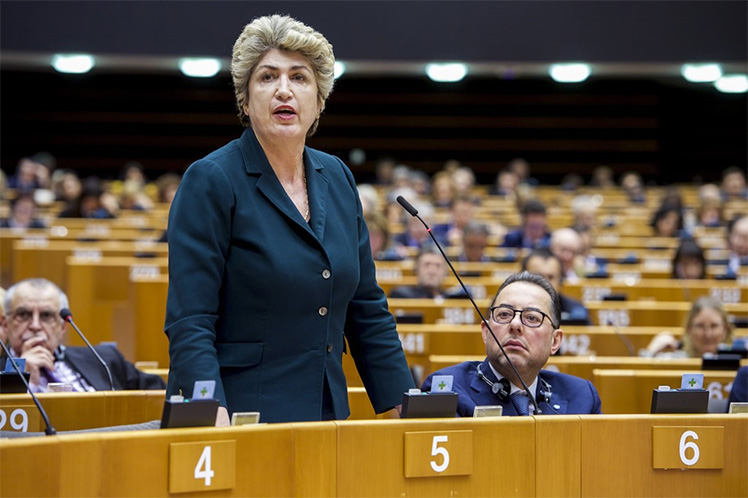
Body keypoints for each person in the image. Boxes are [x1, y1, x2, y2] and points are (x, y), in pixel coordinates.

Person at [165, 15, 414, 425]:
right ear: (245, 100)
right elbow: (190, 321)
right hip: (240, 415)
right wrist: (210, 412)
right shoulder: (211, 179)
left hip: (326, 415)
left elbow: (366, 306)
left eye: (299, 78)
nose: (284, 90)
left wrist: (405, 405)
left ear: (319, 101)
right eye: (267, 77)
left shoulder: (336, 176)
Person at [421, 271, 602, 416]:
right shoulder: (448, 391)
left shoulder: (582, 397)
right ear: (486, 332)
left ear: (555, 341)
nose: (515, 324)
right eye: (504, 314)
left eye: (532, 317)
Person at [1, 278, 165, 392]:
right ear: (5, 323)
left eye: (46, 316)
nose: (35, 325)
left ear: (63, 326)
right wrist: (22, 379)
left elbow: (158, 397)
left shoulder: (104, 359)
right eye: (23, 315)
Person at [643, 296, 734, 357]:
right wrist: (652, 353)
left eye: (714, 326)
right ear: (689, 329)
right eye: (700, 326)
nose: (708, 334)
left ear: (725, 329)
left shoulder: (741, 364)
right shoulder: (675, 360)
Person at [523, 249, 591, 325]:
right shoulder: (511, 310)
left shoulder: (576, 310)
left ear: (560, 282)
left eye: (551, 277)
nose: (545, 283)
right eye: (538, 276)